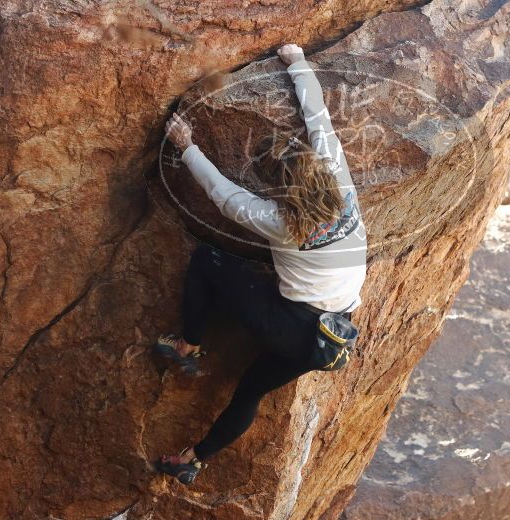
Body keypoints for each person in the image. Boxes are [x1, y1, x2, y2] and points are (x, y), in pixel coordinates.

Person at [153, 43, 367, 486]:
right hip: (330, 335)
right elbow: (320, 121)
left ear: (282, 191)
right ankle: (193, 459)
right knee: (249, 390)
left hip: (291, 324)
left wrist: (187, 146)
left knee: (208, 259)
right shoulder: (343, 188)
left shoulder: (282, 224)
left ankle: (188, 345)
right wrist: (297, 62)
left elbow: (225, 197)